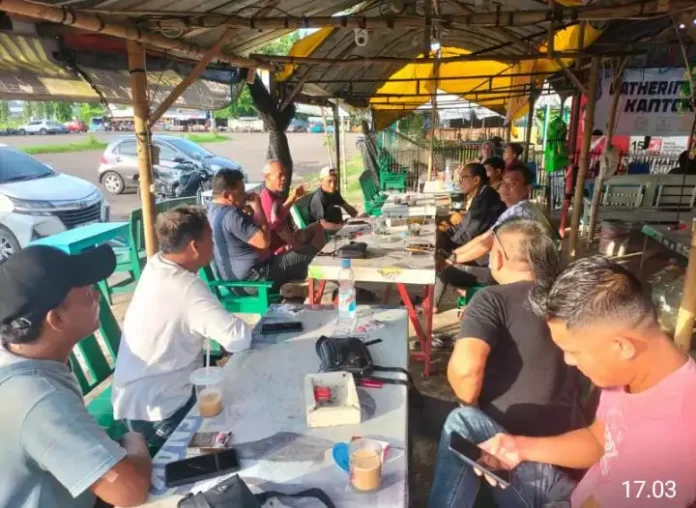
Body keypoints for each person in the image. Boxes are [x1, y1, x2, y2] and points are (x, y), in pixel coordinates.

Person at [431, 256, 696, 508]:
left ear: (621, 346)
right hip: (574, 494)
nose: (568, 361)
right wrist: (520, 448)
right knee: (464, 421)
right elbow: (599, 441)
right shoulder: (629, 374)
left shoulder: (670, 445)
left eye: (574, 352)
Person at [429, 219, 584, 507]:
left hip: (512, 455)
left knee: (461, 422)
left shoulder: (492, 300)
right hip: (568, 452)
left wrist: (471, 409)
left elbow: (466, 372)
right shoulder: (573, 301)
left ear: (497, 256)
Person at [0, 245, 151, 508]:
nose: (98, 296)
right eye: (89, 292)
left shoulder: (27, 364)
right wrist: (135, 442)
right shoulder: (38, 398)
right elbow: (129, 492)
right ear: (57, 319)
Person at [112, 206, 252, 451]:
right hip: (160, 413)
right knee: (244, 418)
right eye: (210, 238)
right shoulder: (185, 286)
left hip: (136, 401)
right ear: (195, 246)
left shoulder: (156, 265)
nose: (214, 244)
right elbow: (238, 338)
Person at [209, 169, 316, 289]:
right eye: (241, 193)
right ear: (226, 196)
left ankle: (296, 290)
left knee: (296, 258)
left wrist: (248, 215)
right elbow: (264, 242)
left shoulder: (212, 210)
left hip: (236, 278)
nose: (245, 196)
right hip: (254, 279)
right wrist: (257, 207)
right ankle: (300, 290)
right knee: (311, 253)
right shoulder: (232, 215)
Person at [451, 163, 551, 269]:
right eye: (503, 182)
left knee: (448, 272)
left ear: (527, 189)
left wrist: (452, 258)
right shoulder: (513, 209)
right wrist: (454, 255)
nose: (504, 187)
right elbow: (485, 237)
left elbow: (486, 243)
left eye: (512, 183)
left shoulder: (519, 212)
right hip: (500, 265)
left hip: (512, 272)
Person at [258, 159, 326, 254]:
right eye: (280, 175)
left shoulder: (273, 195)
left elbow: (281, 212)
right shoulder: (267, 199)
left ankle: (316, 254)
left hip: (286, 242)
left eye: (285, 175)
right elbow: (281, 229)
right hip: (279, 251)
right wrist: (301, 247)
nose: (284, 178)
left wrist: (294, 196)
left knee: (318, 227)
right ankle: (315, 256)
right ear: (267, 177)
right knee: (317, 229)